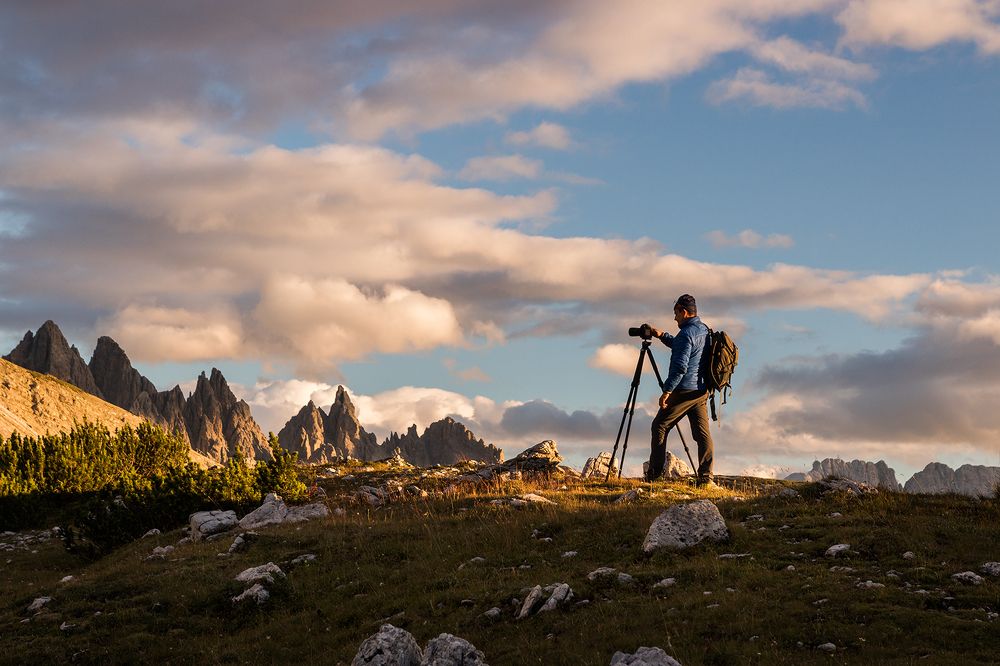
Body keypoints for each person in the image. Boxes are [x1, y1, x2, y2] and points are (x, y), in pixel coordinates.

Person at [646, 293, 715, 486]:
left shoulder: (686, 334)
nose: (674, 317)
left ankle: (654, 475)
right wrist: (661, 335)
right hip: (701, 391)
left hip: (683, 390)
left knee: (659, 425)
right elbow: (682, 346)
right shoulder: (703, 330)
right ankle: (706, 477)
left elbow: (680, 367)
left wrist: (667, 391)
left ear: (683, 312)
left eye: (675, 313)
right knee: (702, 434)